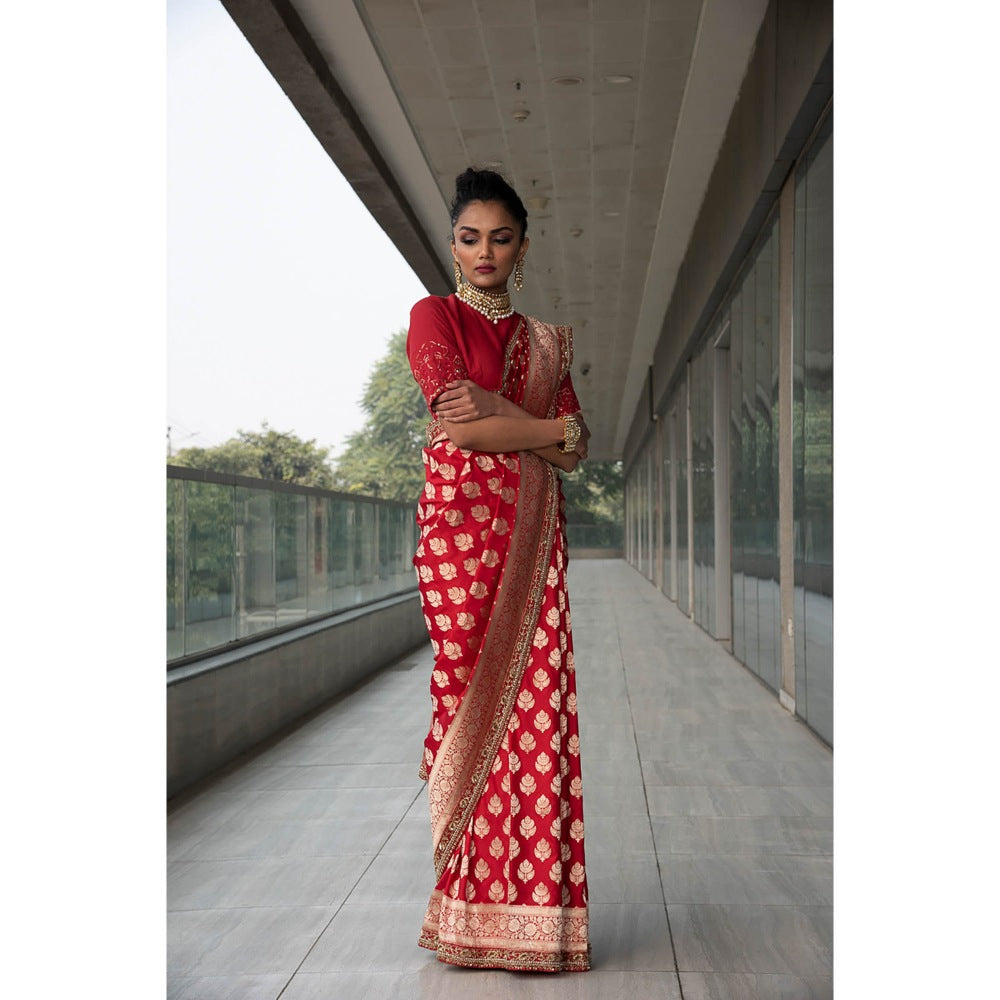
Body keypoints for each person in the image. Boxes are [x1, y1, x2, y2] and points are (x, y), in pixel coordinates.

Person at [406, 167, 592, 973]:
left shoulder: (547, 341)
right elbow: (466, 434)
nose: (485, 251)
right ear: (453, 244)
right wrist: (546, 431)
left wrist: (512, 418)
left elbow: (581, 448)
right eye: (471, 237)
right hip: (461, 546)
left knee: (538, 718)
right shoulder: (432, 316)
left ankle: (533, 925)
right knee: (470, 713)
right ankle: (467, 915)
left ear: (523, 246)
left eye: (502, 237)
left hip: (532, 543)